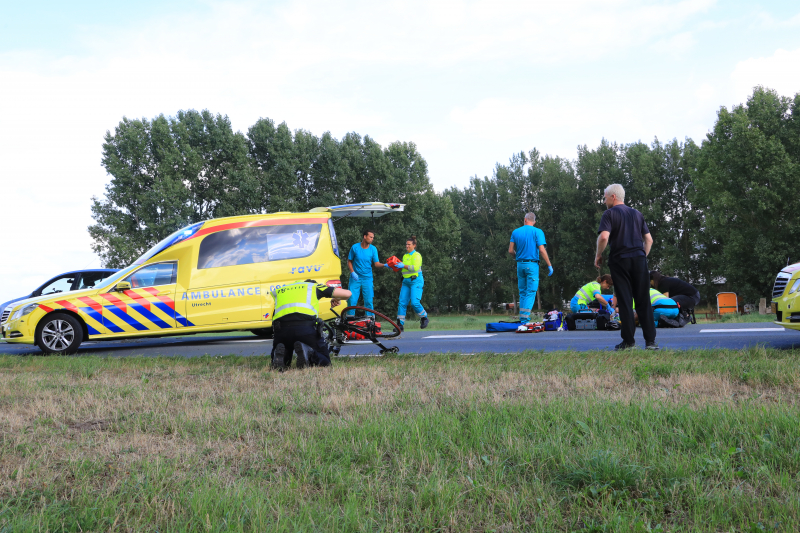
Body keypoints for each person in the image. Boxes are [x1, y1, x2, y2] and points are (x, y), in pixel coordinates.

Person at [595, 184, 658, 350]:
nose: (604, 202)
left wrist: (598, 255)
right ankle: (651, 342)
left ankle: (629, 342)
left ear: (613, 197)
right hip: (639, 260)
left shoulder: (609, 214)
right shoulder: (637, 214)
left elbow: (604, 237)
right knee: (643, 300)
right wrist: (641, 257)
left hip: (620, 260)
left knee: (625, 300)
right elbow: (649, 240)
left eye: (605, 198)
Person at [270, 279, 351, 370]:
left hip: (282, 330)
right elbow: (347, 294)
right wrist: (337, 298)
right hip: (305, 329)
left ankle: (283, 356)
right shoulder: (313, 287)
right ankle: (309, 352)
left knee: (284, 347)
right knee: (325, 361)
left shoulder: (282, 289)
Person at [508, 212, 553, 324]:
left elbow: (510, 251)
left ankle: (522, 318)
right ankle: (525, 319)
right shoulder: (538, 232)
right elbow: (542, 250)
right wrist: (549, 265)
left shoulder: (515, 232)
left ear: (525, 220)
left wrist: (517, 257)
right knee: (531, 292)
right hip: (532, 265)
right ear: (534, 222)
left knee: (522, 292)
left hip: (520, 265)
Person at [386, 235, 428, 332]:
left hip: (416, 281)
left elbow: (415, 268)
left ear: (414, 245)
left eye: (409, 244)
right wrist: (393, 266)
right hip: (406, 282)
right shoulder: (405, 256)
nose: (407, 246)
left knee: (414, 303)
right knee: (402, 303)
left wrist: (403, 265)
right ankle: (400, 325)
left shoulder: (417, 255)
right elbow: (403, 268)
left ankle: (424, 317)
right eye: (406, 244)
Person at [347, 229, 384, 315]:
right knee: (352, 300)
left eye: (373, 237)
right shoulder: (355, 247)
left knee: (369, 301)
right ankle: (349, 319)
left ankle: (370, 320)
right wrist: (352, 272)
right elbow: (349, 261)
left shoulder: (373, 249)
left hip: (367, 278)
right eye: (370, 237)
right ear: (365, 236)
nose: (372, 239)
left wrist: (385, 265)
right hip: (355, 278)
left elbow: (377, 264)